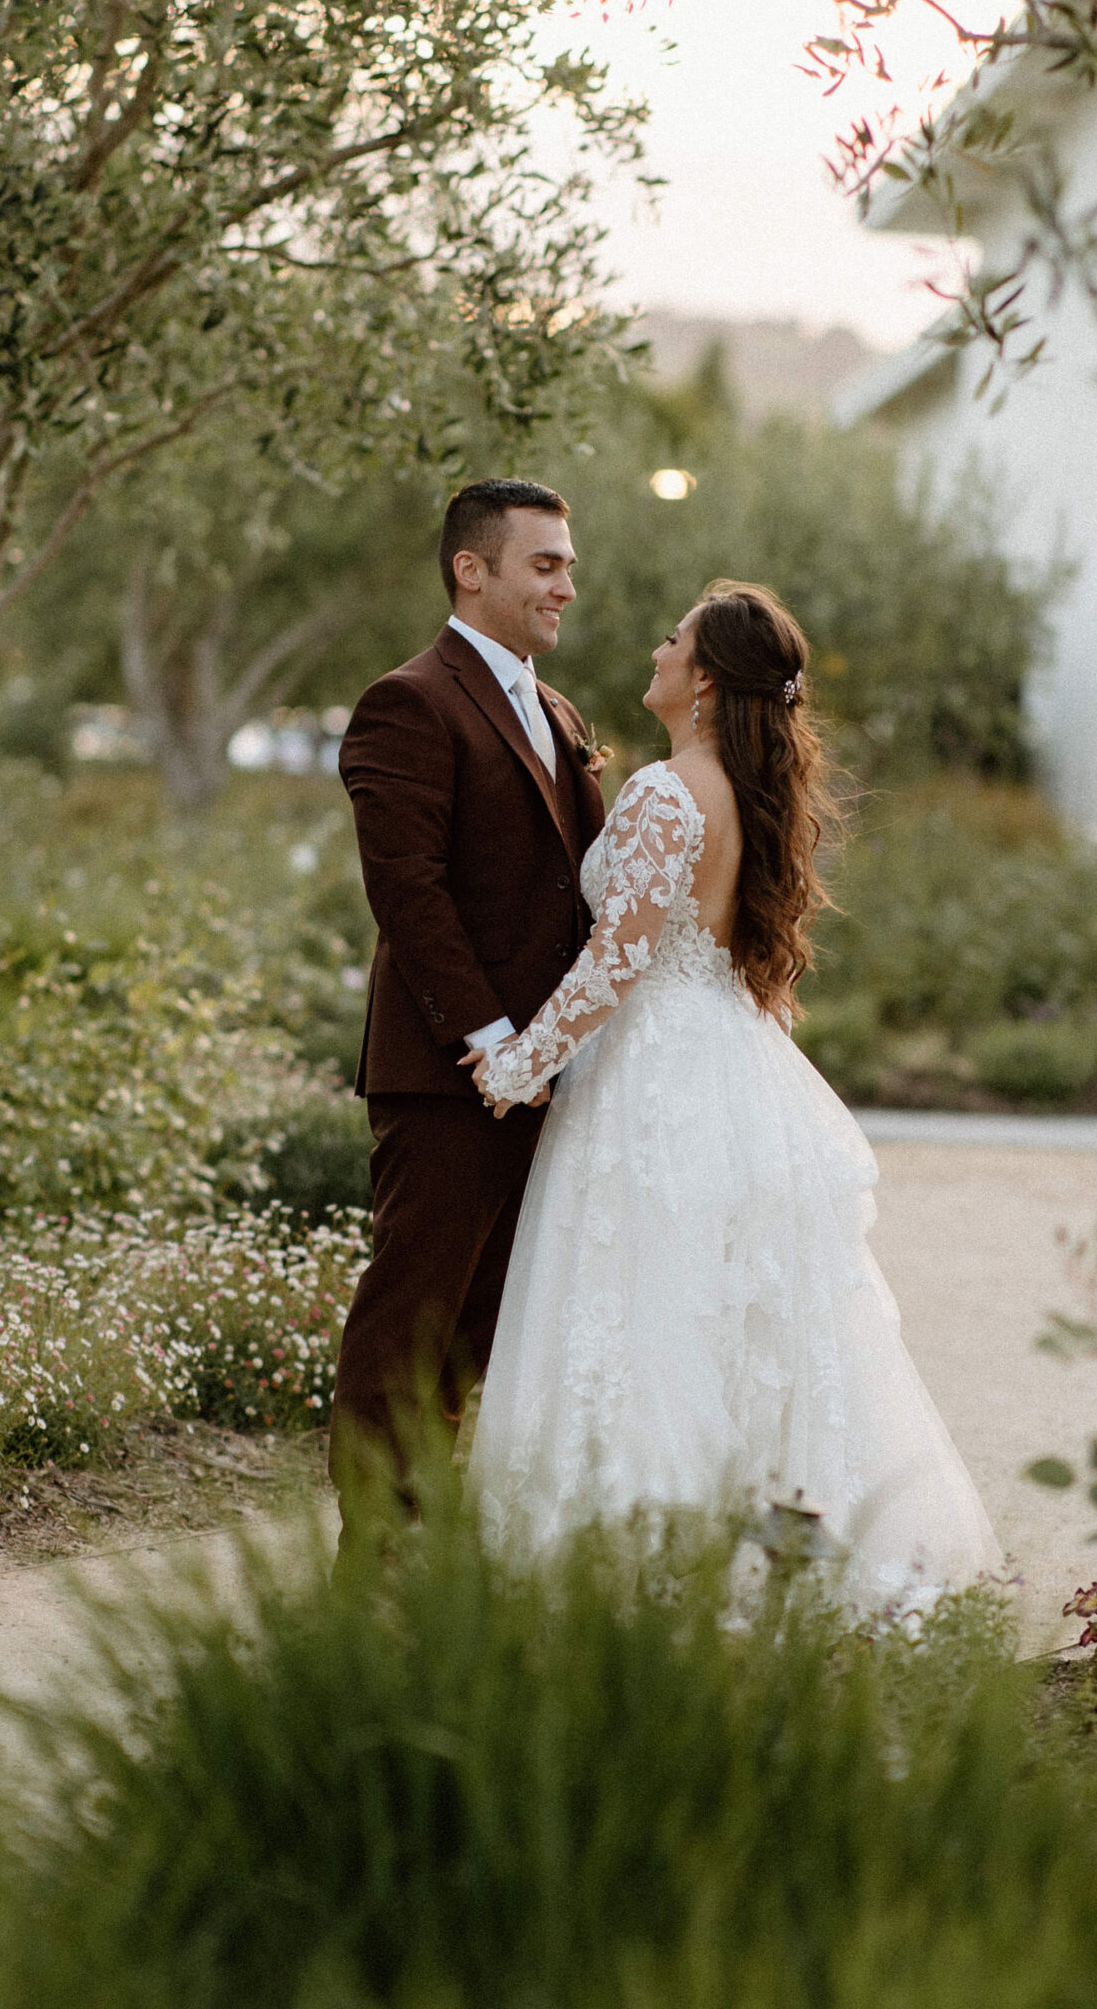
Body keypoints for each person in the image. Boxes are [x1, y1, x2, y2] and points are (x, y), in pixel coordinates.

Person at [466, 580, 1000, 1613]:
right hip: (724, 1061)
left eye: (674, 639)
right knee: (729, 1314)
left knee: (646, 1307)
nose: (657, 650)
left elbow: (619, 958)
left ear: (703, 679)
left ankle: (644, 1563)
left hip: (654, 1077)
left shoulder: (670, 791)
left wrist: (520, 1063)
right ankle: (758, 1546)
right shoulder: (742, 794)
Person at [328, 478, 606, 1515]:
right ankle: (371, 1565)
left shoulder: (558, 708)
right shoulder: (409, 701)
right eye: (546, 564)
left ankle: (424, 1540)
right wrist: (496, 1044)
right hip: (452, 1075)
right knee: (409, 1320)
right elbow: (409, 891)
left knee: (481, 1332)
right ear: (471, 568)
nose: (567, 585)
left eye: (569, 564)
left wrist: (561, 1052)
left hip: (545, 1077)